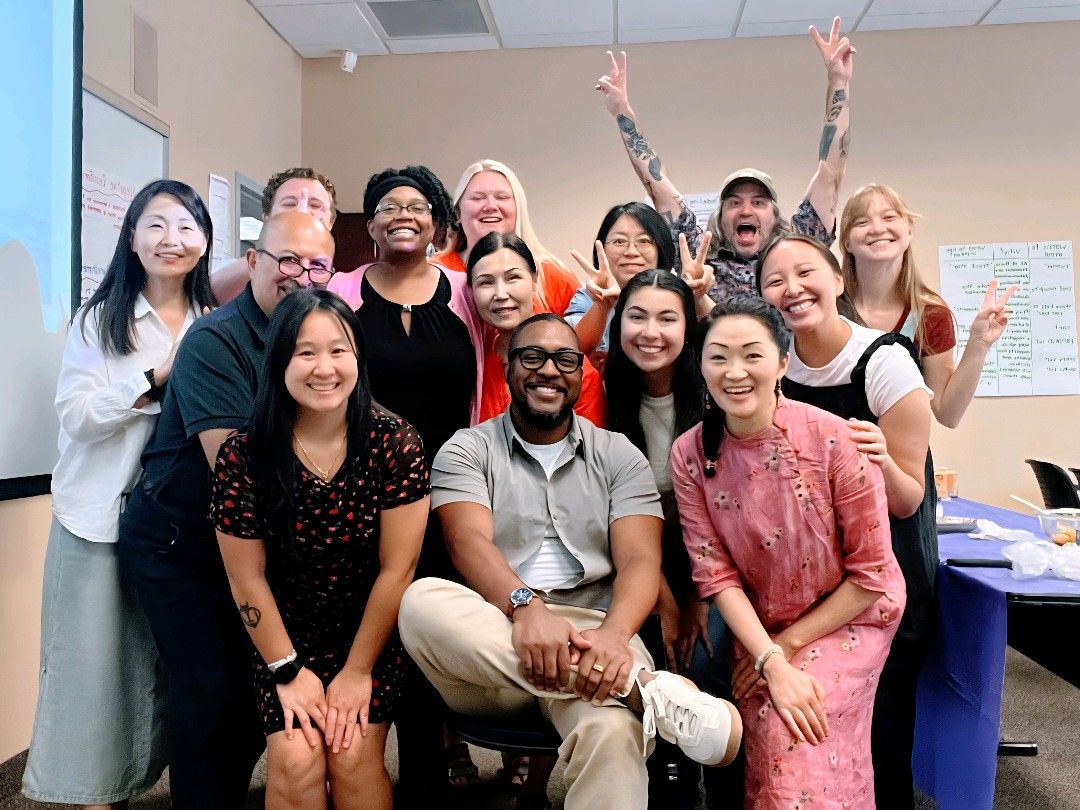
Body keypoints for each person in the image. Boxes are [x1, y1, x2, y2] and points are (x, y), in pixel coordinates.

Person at [398, 313, 742, 810]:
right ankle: (643, 692)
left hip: (601, 635)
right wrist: (525, 608)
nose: (548, 371)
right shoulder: (467, 448)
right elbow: (466, 542)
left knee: (613, 734)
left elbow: (641, 561)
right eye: (532, 357)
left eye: (565, 360)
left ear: (582, 373)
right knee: (420, 601)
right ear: (508, 366)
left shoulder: (619, 454)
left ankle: (623, 688)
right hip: (497, 644)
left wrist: (614, 637)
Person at [117, 211, 335, 809]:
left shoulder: (317, 342)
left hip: (254, 546)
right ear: (254, 261)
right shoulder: (215, 341)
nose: (300, 275)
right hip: (179, 544)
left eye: (316, 265)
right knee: (207, 694)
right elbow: (239, 474)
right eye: (287, 259)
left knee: (248, 697)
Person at [670, 294, 906, 808]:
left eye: (752, 355)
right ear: (701, 366)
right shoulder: (690, 453)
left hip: (853, 614)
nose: (736, 371)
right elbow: (717, 578)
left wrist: (780, 655)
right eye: (719, 356)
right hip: (761, 623)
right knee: (765, 717)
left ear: (782, 362)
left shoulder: (834, 440)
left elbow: (870, 574)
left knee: (791, 723)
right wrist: (769, 655)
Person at [23, 180, 215, 808]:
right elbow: (76, 417)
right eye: (155, 225)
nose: (171, 240)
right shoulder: (95, 319)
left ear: (206, 241)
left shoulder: (214, 326)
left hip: (178, 527)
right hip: (97, 518)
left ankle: (138, 780)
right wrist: (155, 379)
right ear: (130, 238)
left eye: (186, 227)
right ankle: (94, 794)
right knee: (93, 672)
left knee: (161, 671)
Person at [212, 288, 429, 810]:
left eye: (339, 350)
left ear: (357, 356)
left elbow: (397, 570)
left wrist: (357, 672)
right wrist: (287, 670)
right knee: (296, 755)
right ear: (279, 361)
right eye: (305, 352)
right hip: (281, 636)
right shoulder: (243, 454)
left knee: (351, 754)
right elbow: (247, 580)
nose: (324, 367)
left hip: (371, 632)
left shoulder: (395, 442)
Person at [755, 234, 934, 809]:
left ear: (838, 280)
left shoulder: (884, 362)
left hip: (881, 575)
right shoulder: (771, 369)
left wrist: (880, 459)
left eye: (805, 272)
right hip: (806, 583)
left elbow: (909, 499)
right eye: (775, 280)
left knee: (881, 735)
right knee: (808, 735)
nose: (792, 289)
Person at [326, 165, 483, 798]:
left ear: (438, 220)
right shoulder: (339, 291)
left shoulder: (467, 290)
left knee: (426, 634)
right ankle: (349, 768)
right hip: (359, 491)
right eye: (388, 205)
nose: (403, 215)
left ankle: (427, 775)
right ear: (370, 222)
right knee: (357, 633)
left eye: (418, 205)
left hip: (449, 491)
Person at [604, 271, 741, 809]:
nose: (651, 332)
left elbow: (728, 513)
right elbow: (609, 513)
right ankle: (667, 791)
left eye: (668, 318)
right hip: (631, 557)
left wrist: (699, 596)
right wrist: (661, 595)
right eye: (637, 316)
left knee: (711, 660)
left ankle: (729, 788)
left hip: (716, 560)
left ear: (690, 328)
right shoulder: (602, 394)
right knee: (654, 661)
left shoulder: (715, 396)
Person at [595, 17, 853, 301]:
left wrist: (838, 82)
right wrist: (622, 113)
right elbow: (657, 184)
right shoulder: (699, 255)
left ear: (775, 215)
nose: (745, 210)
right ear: (720, 215)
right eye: (734, 202)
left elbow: (830, 169)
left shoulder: (801, 245)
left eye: (758, 202)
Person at [838, 183, 1016, 427]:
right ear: (846, 242)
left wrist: (979, 344)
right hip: (831, 458)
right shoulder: (827, 310)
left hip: (903, 461)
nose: (877, 228)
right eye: (861, 222)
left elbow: (947, 413)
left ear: (909, 230)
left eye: (889, 217)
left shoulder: (930, 316)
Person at [467, 232, 606, 427]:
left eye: (512, 277)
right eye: (486, 282)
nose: (500, 294)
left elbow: (592, 451)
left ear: (534, 280)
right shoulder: (473, 363)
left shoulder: (573, 370)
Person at [563, 202, 715, 370]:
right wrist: (601, 305)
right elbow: (567, 353)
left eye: (644, 241)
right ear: (602, 249)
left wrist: (698, 296)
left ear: (660, 248)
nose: (631, 252)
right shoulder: (588, 297)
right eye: (619, 241)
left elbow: (730, 338)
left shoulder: (679, 292)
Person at [436, 158, 579, 315]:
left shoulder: (553, 276)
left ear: (519, 208)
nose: (490, 206)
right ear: (457, 213)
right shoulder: (433, 271)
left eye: (502, 197)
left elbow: (584, 338)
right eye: (478, 198)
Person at [211, 167, 338, 303]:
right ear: (267, 218)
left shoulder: (342, 291)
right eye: (289, 204)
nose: (302, 213)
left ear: (331, 222)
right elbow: (209, 291)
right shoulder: (247, 267)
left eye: (314, 205)